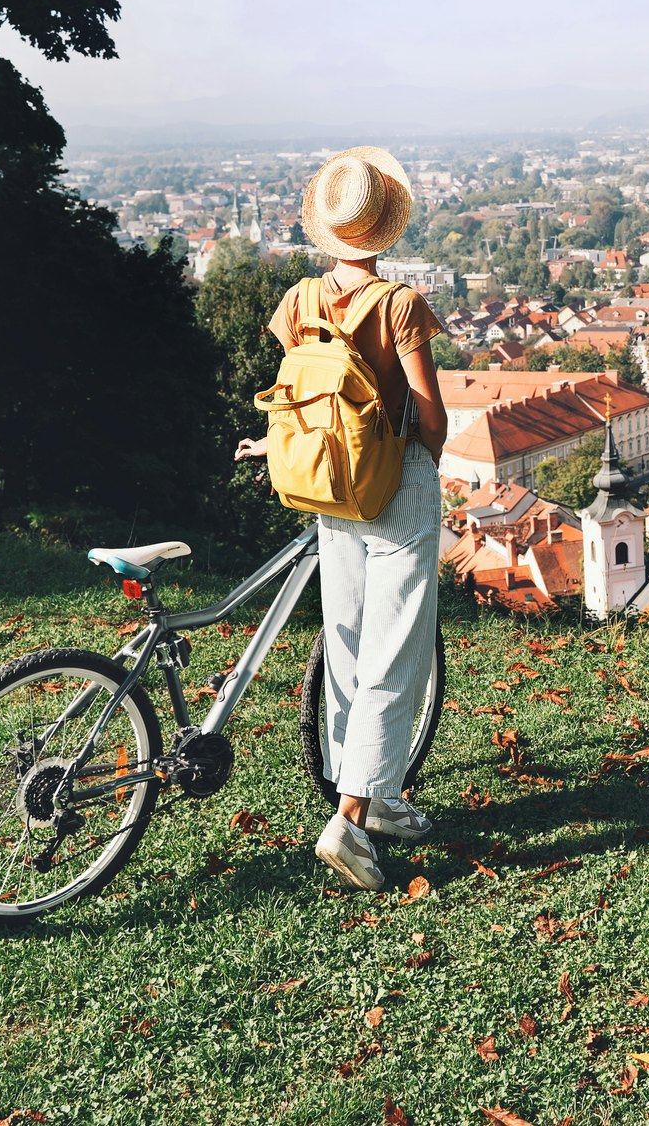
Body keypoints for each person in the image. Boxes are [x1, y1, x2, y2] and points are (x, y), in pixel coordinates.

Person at [233, 146, 446, 890]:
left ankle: (369, 792)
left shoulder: (298, 301)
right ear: (386, 229)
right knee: (397, 651)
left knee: (348, 641)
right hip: (394, 484)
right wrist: (419, 448)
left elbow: (301, 394)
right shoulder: (400, 305)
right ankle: (351, 818)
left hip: (325, 485)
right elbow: (432, 419)